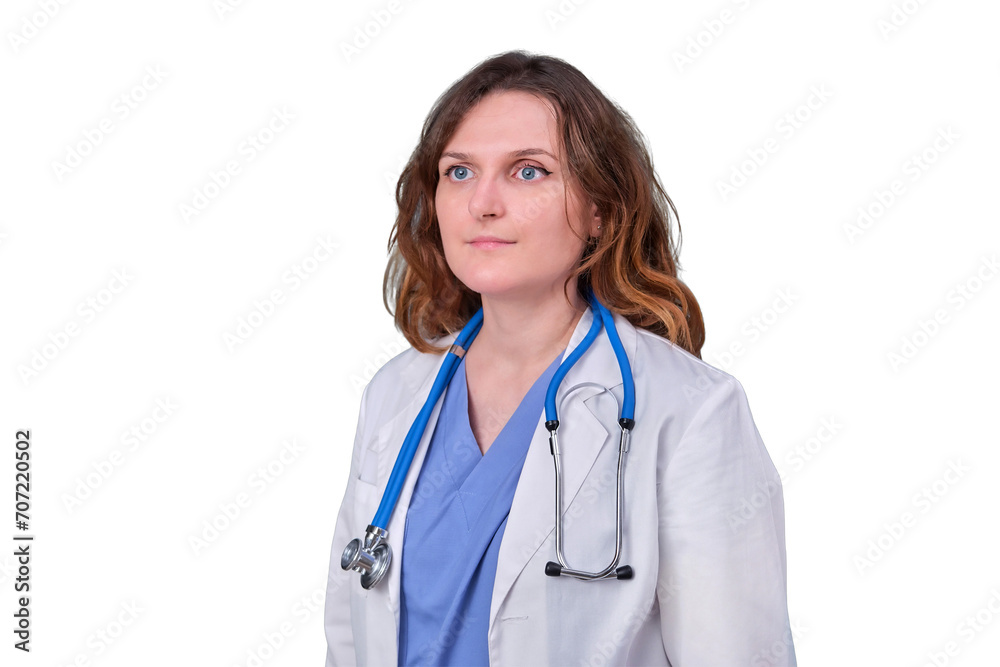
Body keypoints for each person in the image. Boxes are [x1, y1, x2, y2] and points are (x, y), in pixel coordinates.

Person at [324, 50, 796, 666]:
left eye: (528, 172)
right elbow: (349, 635)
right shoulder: (396, 394)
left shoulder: (689, 412)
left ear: (600, 209)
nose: (483, 204)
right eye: (459, 172)